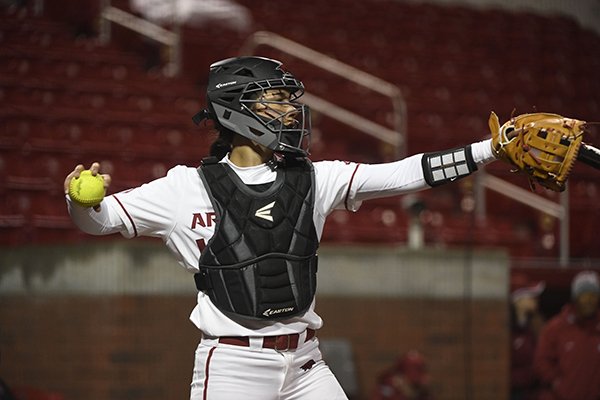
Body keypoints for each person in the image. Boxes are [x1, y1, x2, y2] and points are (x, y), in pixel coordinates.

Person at [64, 56, 497, 400]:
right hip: (233, 366)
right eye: (275, 98)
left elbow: (404, 174)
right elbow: (100, 222)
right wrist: (81, 200)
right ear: (236, 110)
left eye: (289, 99)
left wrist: (490, 149)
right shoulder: (184, 187)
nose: (291, 110)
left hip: (307, 362)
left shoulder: (314, 177)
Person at [534, 270, 600, 400]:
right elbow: (541, 361)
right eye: (584, 295)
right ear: (575, 297)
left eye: (593, 295)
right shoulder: (556, 328)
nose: (589, 300)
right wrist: (558, 383)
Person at [509, 274, 545, 400]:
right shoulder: (506, 330)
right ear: (517, 300)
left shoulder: (534, 325)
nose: (535, 299)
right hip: (513, 393)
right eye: (530, 296)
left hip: (532, 391)